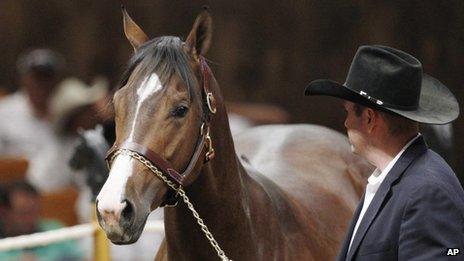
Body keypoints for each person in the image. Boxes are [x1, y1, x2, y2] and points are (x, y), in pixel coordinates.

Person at [304, 45, 464, 260]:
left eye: (348, 112)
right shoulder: (394, 177)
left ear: (370, 119)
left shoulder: (427, 193)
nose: (345, 122)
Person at [0, 181, 82, 261]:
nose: (32, 219)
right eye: (24, 213)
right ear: (4, 212)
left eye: (36, 212)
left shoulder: (54, 230)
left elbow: (82, 258)